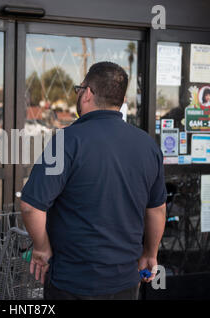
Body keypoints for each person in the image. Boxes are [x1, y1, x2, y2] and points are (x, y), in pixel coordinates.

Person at [20, 61, 167, 300]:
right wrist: (151, 253)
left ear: (87, 93)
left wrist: (41, 248)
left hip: (72, 283)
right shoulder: (148, 145)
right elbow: (157, 209)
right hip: (125, 283)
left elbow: (31, 206)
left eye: (79, 88)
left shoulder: (67, 140)